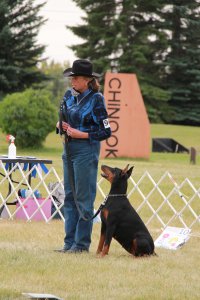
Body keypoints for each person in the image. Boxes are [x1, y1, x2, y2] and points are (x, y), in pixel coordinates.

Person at [56, 59, 111, 253]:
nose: (72, 81)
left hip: (86, 151)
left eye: (76, 78)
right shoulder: (68, 96)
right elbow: (64, 118)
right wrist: (59, 125)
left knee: (83, 198)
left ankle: (81, 245)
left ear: (87, 80)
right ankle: (68, 243)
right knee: (69, 197)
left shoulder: (97, 99)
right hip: (68, 150)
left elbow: (106, 132)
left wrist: (82, 134)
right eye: (72, 78)